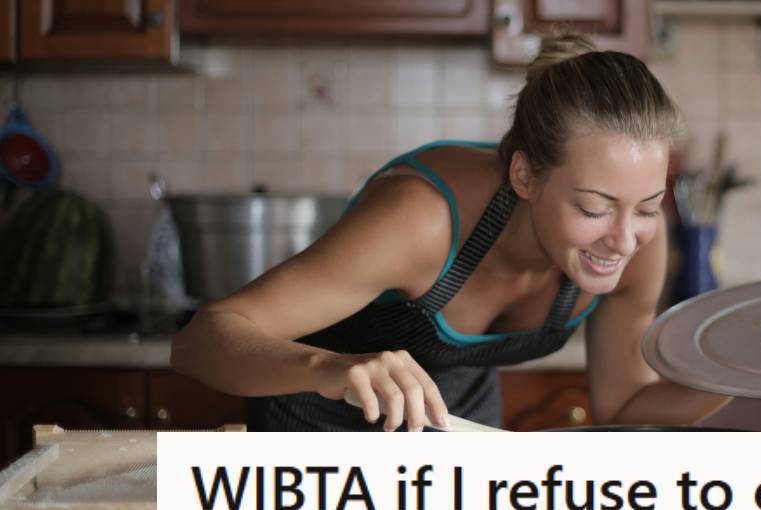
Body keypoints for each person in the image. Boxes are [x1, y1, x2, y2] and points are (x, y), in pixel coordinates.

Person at [170, 33, 732, 432]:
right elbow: (201, 340)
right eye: (593, 207)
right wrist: (330, 369)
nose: (624, 239)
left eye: (648, 206)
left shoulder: (638, 245)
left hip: (454, 425)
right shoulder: (421, 219)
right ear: (525, 175)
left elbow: (623, 406)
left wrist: (746, 371)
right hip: (316, 427)